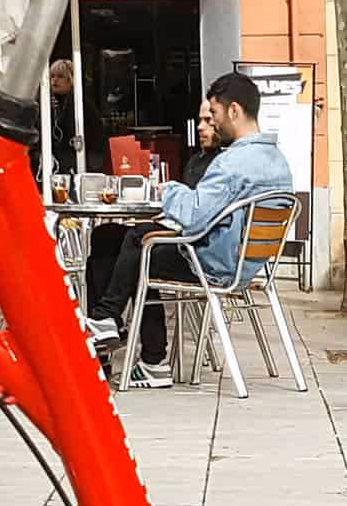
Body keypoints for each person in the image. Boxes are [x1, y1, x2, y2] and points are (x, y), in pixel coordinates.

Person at [87, 71, 290, 385]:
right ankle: (120, 333)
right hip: (246, 263)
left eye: (216, 114)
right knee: (126, 241)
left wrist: (168, 190)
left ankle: (109, 322)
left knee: (140, 241)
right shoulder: (277, 161)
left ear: (234, 111)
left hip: (214, 264)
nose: (214, 122)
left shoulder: (232, 162)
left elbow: (194, 216)